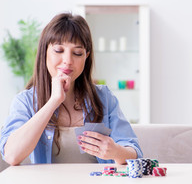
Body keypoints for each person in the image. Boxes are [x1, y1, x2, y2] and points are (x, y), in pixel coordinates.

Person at [0, 13, 142, 165]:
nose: (67, 61)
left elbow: (135, 152)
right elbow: (12, 156)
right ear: (44, 52)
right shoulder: (25, 101)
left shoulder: (103, 97)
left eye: (77, 53)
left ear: (86, 56)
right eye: (59, 50)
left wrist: (116, 152)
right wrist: (54, 101)